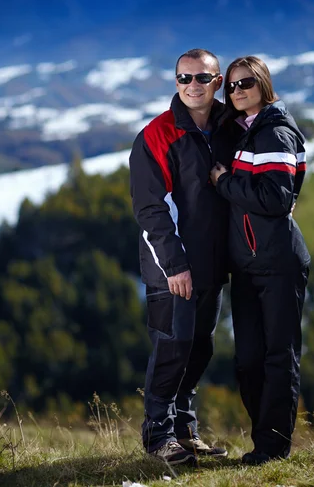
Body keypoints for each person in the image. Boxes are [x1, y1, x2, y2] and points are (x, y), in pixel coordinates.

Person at [129, 48, 239, 465]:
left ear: (217, 82)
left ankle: (185, 430)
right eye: (184, 78)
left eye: (203, 78)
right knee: (173, 347)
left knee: (200, 348)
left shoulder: (231, 126)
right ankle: (159, 437)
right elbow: (151, 210)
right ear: (176, 82)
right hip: (170, 268)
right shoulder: (155, 136)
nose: (193, 86)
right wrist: (175, 266)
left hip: (213, 262)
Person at [210, 56, 310, 465]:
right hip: (249, 263)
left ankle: (272, 449)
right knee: (249, 359)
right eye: (231, 86)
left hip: (279, 261)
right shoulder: (245, 130)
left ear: (263, 83)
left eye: (246, 83)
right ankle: (263, 442)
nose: (237, 91)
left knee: (276, 356)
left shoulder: (274, 133)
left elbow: (276, 198)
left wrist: (223, 182)